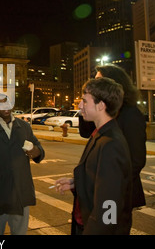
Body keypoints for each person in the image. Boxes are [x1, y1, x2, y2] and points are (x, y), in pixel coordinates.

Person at [55, 78, 133, 235]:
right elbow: (99, 178)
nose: (79, 105)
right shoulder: (100, 134)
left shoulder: (111, 144)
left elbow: (109, 207)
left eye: (84, 101)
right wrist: (76, 183)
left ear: (101, 105)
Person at [0, 92, 45, 235]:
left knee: (19, 232)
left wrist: (37, 152)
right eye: (0, 104)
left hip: (20, 193)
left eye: (7, 103)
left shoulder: (24, 127)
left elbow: (39, 148)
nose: (5, 107)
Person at [79, 64, 146, 209]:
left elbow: (136, 160)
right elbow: (85, 132)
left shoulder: (130, 114)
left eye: (99, 81)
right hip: (101, 191)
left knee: (110, 226)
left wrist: (110, 189)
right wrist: (84, 106)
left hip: (117, 193)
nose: (94, 84)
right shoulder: (104, 111)